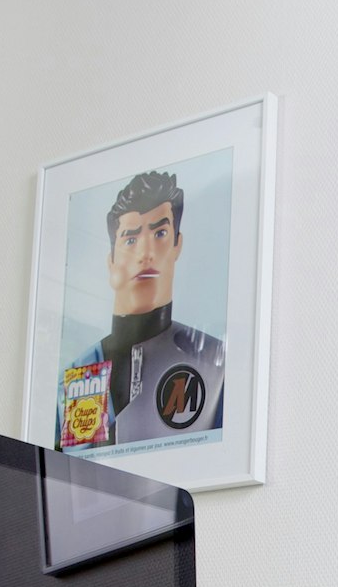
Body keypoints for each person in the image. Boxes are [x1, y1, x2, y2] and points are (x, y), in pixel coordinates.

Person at [57, 170, 225, 450]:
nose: (145, 252)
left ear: (177, 245)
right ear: (112, 259)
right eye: (130, 239)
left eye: (160, 233)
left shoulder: (214, 363)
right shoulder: (78, 371)